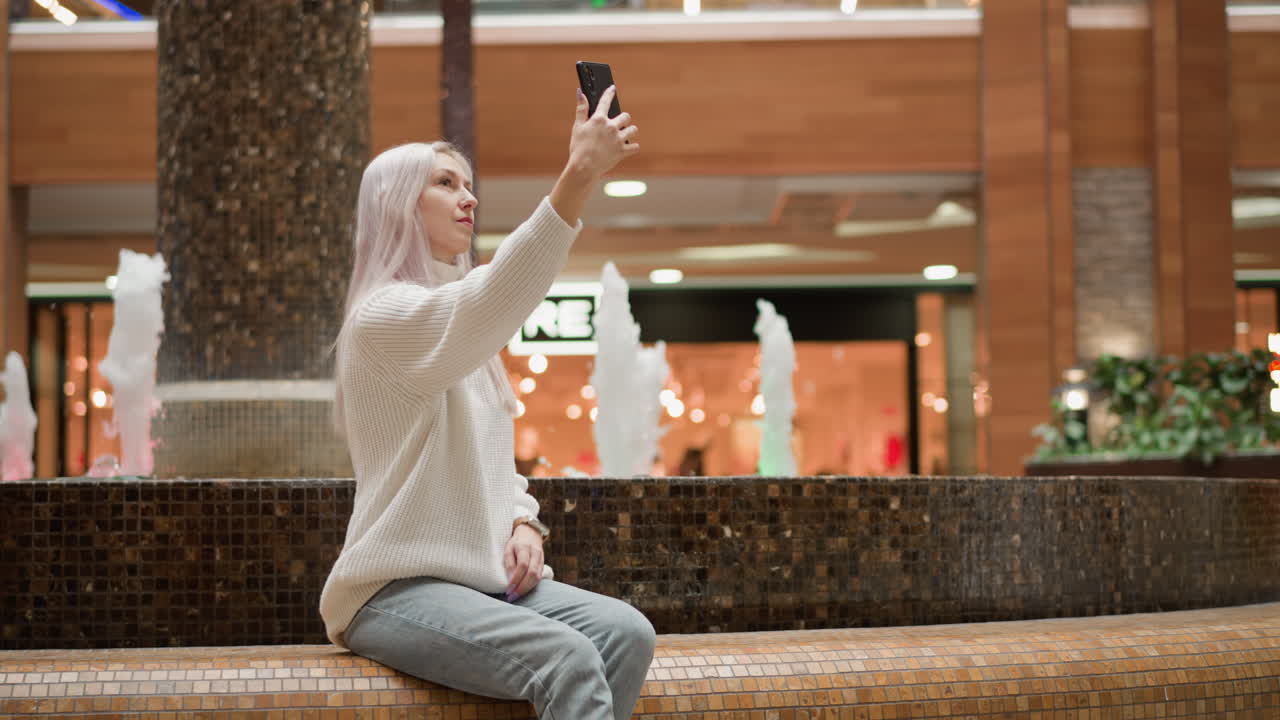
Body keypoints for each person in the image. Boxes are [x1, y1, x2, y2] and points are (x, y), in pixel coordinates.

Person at [320, 86, 655, 720]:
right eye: (445, 183)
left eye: (467, 183)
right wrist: (577, 175)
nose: (467, 197)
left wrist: (524, 521)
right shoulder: (384, 317)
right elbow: (488, 297)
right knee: (568, 658)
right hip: (391, 592)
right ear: (397, 205)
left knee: (627, 632)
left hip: (482, 585)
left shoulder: (459, 331)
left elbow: (493, 464)